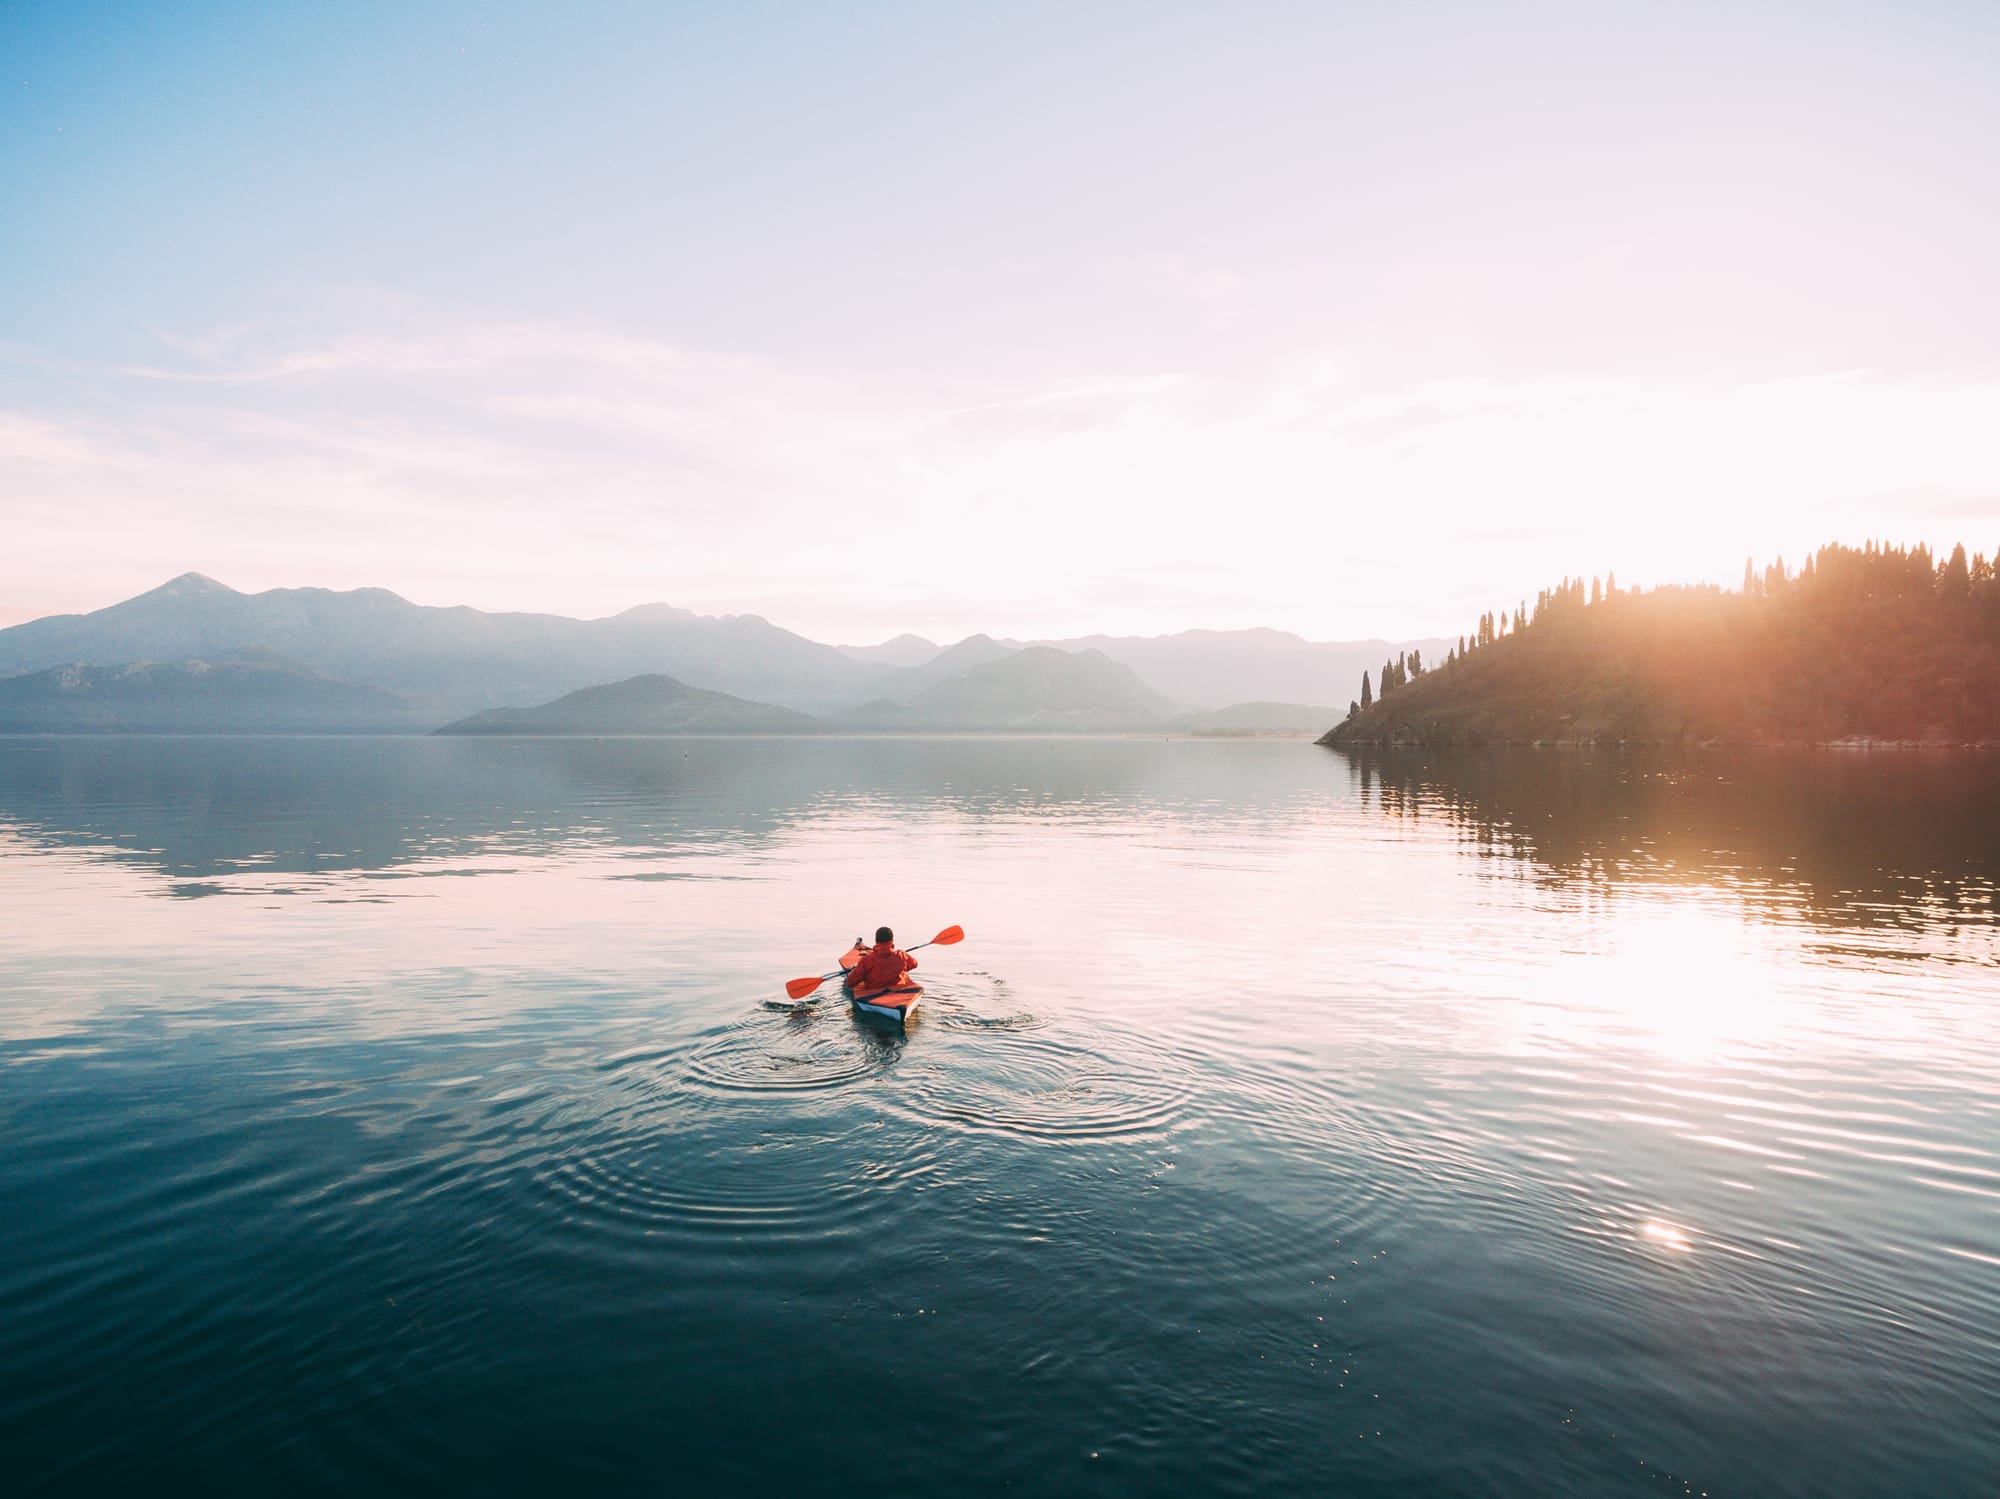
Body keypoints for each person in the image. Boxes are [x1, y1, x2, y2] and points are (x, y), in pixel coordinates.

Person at [848, 925, 918, 993]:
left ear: (876, 941)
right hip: (897, 989)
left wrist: (854, 970)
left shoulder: (866, 960)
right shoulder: (901, 955)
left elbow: (850, 982)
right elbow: (914, 964)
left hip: (874, 993)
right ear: (892, 940)